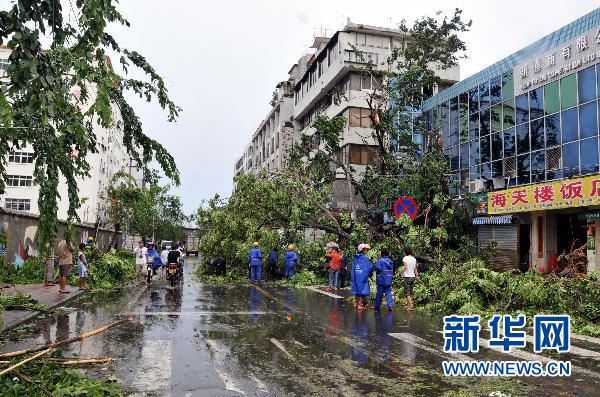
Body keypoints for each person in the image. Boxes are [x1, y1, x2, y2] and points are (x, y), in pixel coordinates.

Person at [351, 243, 372, 310]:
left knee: (356, 290)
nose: (367, 251)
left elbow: (353, 268)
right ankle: (360, 305)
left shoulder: (356, 258)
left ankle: (356, 304)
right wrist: (369, 274)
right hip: (363, 276)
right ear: (362, 250)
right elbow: (368, 267)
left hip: (356, 276)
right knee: (362, 291)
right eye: (366, 250)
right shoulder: (364, 258)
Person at [402, 246, 418, 311]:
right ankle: (409, 305)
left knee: (407, 292)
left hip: (407, 277)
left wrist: (402, 274)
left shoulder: (405, 258)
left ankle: (411, 305)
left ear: (405, 252)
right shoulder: (414, 259)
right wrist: (417, 276)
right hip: (413, 277)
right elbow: (415, 268)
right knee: (410, 292)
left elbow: (405, 267)